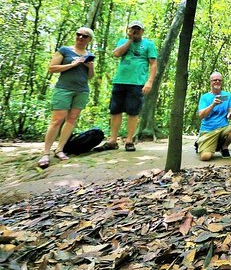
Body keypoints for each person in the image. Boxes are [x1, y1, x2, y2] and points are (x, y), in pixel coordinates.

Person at [38, 27, 95, 168]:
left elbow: (90, 77)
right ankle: (46, 153)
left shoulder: (89, 54)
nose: (81, 37)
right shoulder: (64, 50)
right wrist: (72, 64)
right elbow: (52, 68)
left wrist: (90, 67)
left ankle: (60, 149)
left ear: (89, 39)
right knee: (57, 120)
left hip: (81, 90)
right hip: (63, 89)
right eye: (78, 34)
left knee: (71, 120)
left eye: (85, 36)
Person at [100, 21, 157, 152]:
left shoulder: (149, 44)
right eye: (133, 29)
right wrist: (130, 40)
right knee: (115, 110)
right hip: (120, 81)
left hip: (137, 83)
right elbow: (116, 54)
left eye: (138, 29)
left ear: (142, 31)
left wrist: (149, 82)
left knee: (133, 111)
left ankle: (129, 140)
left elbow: (153, 64)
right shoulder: (123, 41)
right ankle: (112, 140)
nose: (136, 31)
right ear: (129, 30)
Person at [196, 72, 231, 161]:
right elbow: (201, 116)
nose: (217, 82)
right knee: (205, 157)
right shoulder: (205, 97)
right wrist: (213, 105)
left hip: (223, 128)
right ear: (210, 82)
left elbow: (230, 110)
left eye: (219, 80)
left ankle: (224, 147)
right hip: (208, 130)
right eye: (215, 80)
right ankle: (200, 143)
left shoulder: (227, 95)